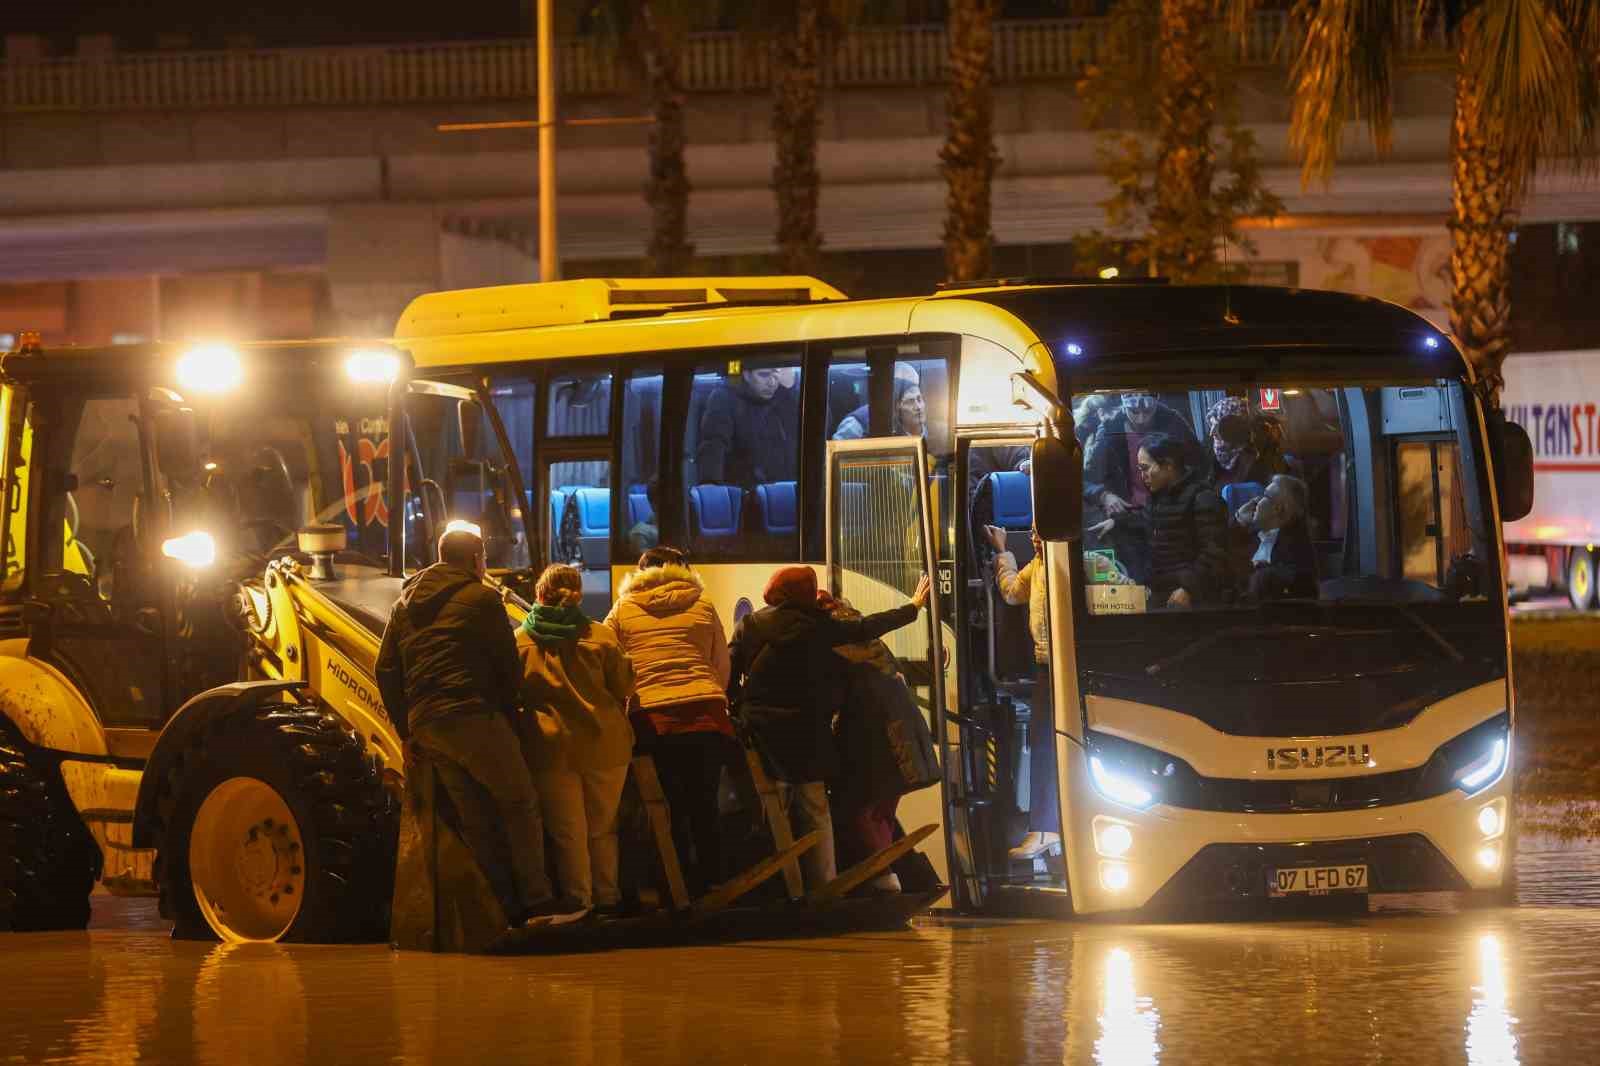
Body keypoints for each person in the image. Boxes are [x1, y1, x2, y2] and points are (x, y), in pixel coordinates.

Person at [376, 526, 585, 929]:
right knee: (520, 802)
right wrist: (508, 713)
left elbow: (385, 669)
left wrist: (407, 730)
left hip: (428, 725)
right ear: (475, 560)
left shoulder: (404, 605)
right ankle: (537, 900)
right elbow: (506, 665)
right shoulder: (483, 598)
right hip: (472, 713)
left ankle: (502, 907)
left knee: (476, 817)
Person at [728, 566, 932, 890]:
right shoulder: (820, 627)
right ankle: (825, 883)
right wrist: (913, 608)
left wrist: (736, 707)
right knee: (815, 810)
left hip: (763, 733)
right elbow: (866, 627)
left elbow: (730, 668)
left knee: (773, 810)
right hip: (810, 732)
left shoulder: (751, 625)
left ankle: (781, 886)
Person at [604, 546, 735, 896]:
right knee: (705, 802)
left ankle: (675, 886)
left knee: (667, 805)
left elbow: (609, 665)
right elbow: (721, 663)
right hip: (706, 714)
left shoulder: (622, 610)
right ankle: (715, 882)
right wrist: (711, 693)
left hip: (653, 717)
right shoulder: (703, 604)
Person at [516, 564, 636, 918]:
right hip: (605, 745)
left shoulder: (520, 641)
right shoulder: (599, 636)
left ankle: (578, 902)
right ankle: (608, 899)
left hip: (550, 747)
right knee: (602, 828)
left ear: (539, 594)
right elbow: (624, 686)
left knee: (568, 833)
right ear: (578, 594)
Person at [822, 591, 941, 894]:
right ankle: (896, 877)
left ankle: (885, 879)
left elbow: (836, 697)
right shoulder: (871, 640)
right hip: (905, 737)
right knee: (882, 811)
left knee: (861, 809)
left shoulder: (832, 644)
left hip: (873, 739)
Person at [983, 524, 1060, 861]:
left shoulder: (1065, 563)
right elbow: (1012, 591)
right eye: (1031, 532)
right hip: (1046, 662)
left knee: (1049, 745)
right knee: (1045, 745)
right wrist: (1003, 551)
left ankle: (1047, 828)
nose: (1034, 538)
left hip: (1067, 663)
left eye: (1039, 532)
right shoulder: (1038, 565)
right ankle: (1048, 828)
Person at [1090, 433, 1230, 608]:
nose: (1142, 476)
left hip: (1190, 597)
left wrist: (1188, 589)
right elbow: (1145, 519)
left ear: (1169, 466)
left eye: (1145, 468)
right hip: (1160, 590)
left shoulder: (1203, 498)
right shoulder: (1157, 497)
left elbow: (1214, 554)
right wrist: (1116, 522)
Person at [696, 367, 800, 489]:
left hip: (789, 492)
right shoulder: (724, 399)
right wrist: (711, 487)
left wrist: (792, 390)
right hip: (747, 495)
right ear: (746, 374)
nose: (772, 382)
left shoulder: (785, 397)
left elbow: (815, 434)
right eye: (764, 375)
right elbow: (713, 447)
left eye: (776, 375)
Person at [1237, 474, 1318, 601]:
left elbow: (1300, 582)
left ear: (1277, 508)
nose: (1256, 500)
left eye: (1265, 496)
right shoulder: (1251, 535)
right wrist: (1239, 520)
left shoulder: (1296, 547)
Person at [832, 363, 922, 441]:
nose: (917, 406)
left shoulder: (908, 420)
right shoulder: (857, 423)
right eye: (910, 400)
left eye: (918, 399)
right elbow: (834, 454)